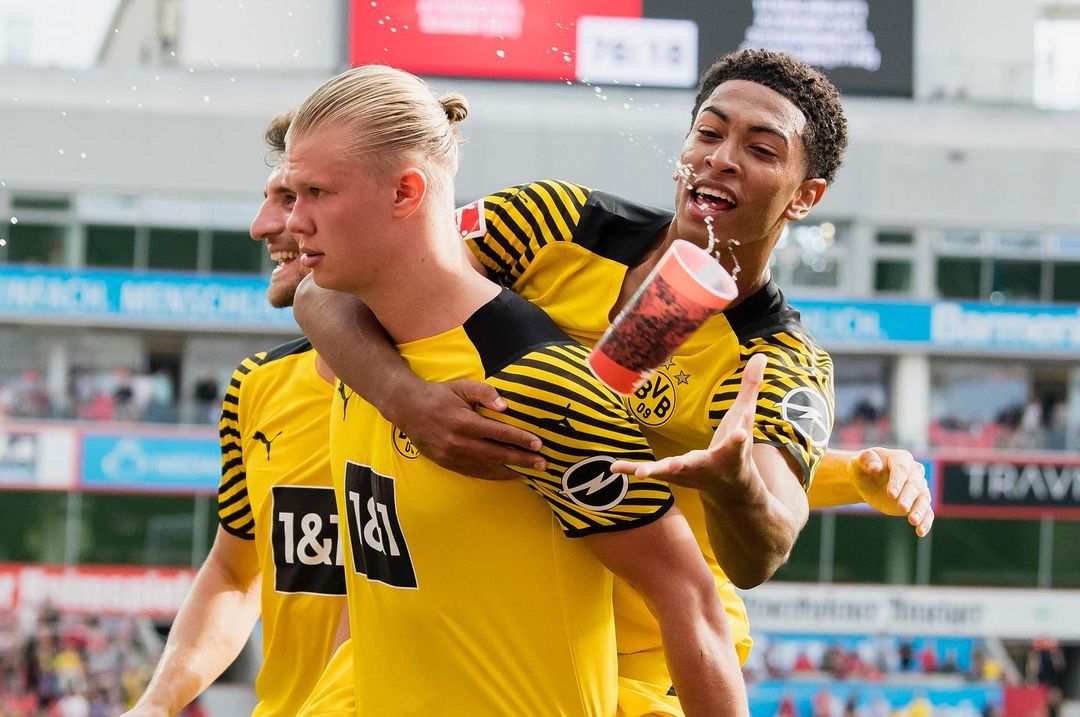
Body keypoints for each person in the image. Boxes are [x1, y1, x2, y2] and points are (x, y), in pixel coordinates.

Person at [294, 49, 933, 714]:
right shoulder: (555, 223)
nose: (721, 158)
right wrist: (412, 404)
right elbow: (336, 287)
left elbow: (764, 546)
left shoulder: (776, 361)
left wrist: (733, 482)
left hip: (640, 662)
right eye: (709, 133)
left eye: (761, 149)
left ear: (805, 196)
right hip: (478, 617)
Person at [284, 64, 748, 715]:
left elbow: (691, 601)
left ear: (406, 192)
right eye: (292, 194)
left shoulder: (533, 384)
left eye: (316, 193)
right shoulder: (356, 353)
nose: (293, 222)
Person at [125, 113, 349, 717]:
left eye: (293, 197)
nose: (262, 226)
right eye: (273, 198)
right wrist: (155, 706)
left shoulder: (475, 376)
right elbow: (234, 573)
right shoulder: (258, 384)